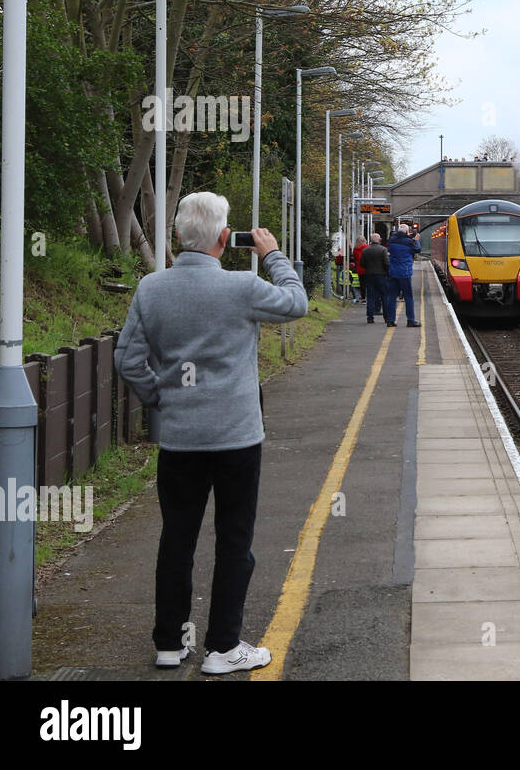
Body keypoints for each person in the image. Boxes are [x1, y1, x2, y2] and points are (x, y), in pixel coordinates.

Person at [114, 192, 306, 675]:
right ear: (225, 238)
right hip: (237, 437)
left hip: (180, 438)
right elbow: (297, 302)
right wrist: (272, 255)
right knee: (233, 539)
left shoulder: (151, 289)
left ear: (179, 237)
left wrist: (161, 398)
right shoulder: (242, 287)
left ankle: (169, 645)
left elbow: (126, 360)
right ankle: (223, 648)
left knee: (176, 538)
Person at [386, 223, 422, 328]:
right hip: (404, 272)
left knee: (392, 297)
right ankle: (410, 320)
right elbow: (417, 250)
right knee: (408, 297)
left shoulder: (391, 241)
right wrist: (416, 240)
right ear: (407, 232)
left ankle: (390, 320)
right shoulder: (409, 242)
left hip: (393, 272)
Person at [359, 232, 390, 322]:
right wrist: (386, 271)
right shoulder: (383, 250)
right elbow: (387, 263)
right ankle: (386, 317)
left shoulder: (365, 250)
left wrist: (368, 268)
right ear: (379, 240)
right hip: (381, 276)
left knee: (370, 297)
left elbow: (362, 263)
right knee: (384, 296)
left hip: (369, 275)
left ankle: (370, 317)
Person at [351, 235, 369, 304]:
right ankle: (368, 297)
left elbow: (355, 259)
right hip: (367, 268)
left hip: (359, 268)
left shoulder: (355, 249)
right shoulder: (367, 247)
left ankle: (363, 297)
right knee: (369, 283)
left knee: (362, 284)